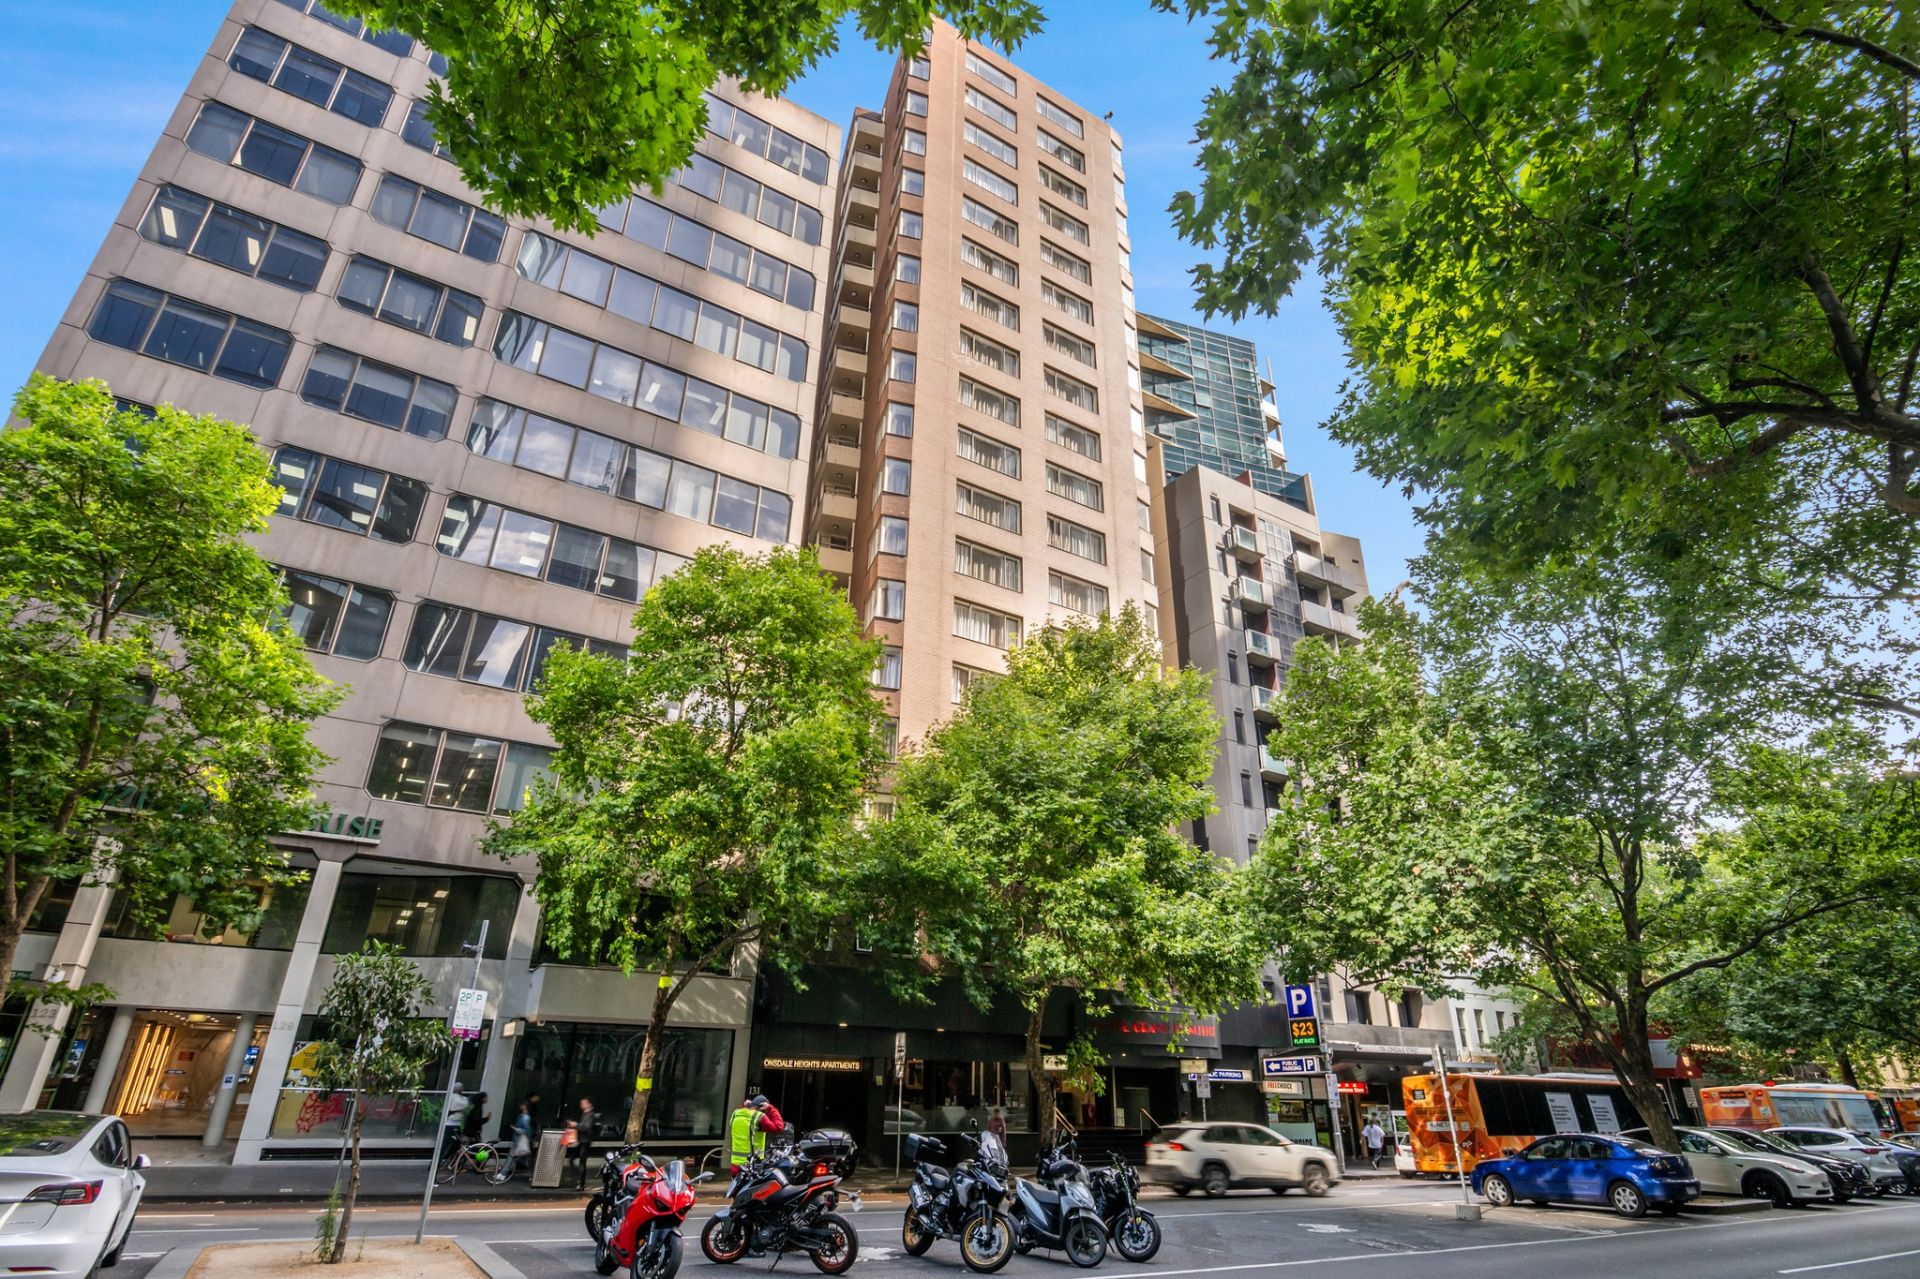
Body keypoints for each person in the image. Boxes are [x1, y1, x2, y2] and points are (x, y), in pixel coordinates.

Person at [729, 1095, 767, 1174]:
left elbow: (743, 1113)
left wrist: (743, 1106)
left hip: (735, 1163)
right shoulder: (757, 1118)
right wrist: (771, 1109)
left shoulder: (735, 1115)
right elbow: (778, 1127)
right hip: (751, 1164)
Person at [570, 1097, 597, 1190]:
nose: (581, 1105)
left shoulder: (590, 1115)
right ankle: (577, 1179)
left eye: (584, 1103)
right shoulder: (584, 1114)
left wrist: (576, 1125)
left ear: (589, 1104)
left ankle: (581, 1183)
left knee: (582, 1162)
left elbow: (586, 1127)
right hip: (581, 1141)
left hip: (585, 1141)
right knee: (573, 1159)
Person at [442, 1082, 470, 1157]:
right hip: (451, 1123)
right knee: (449, 1142)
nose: (462, 1089)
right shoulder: (453, 1097)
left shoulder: (462, 1098)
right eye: (461, 1087)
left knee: (457, 1143)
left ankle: (453, 1159)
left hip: (458, 1124)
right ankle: (443, 1158)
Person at [510, 1102, 534, 1171]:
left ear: (525, 1106)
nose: (520, 1106)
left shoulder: (525, 1117)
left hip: (520, 1139)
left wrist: (515, 1128)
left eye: (522, 1104)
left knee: (512, 1156)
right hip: (519, 1139)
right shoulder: (521, 1116)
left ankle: (504, 1173)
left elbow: (526, 1130)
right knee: (520, 1154)